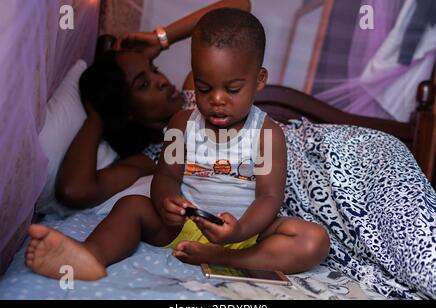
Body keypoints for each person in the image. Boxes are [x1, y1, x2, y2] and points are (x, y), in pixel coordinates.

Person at [25, 8, 330, 281]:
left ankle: (222, 258)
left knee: (313, 239)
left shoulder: (267, 133)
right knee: (132, 207)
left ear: (259, 79)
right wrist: (166, 201)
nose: (217, 100)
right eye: (204, 87)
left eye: (233, 89)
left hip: (245, 233)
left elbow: (268, 196)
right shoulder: (182, 124)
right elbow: (167, 176)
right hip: (185, 227)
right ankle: (91, 255)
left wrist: (239, 230)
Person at [55, 0, 252, 210]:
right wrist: (97, 116)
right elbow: (74, 191)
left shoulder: (197, 97)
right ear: (127, 111)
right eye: (144, 84)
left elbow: (239, 7)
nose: (163, 81)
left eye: (154, 69)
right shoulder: (154, 159)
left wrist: (161, 39)